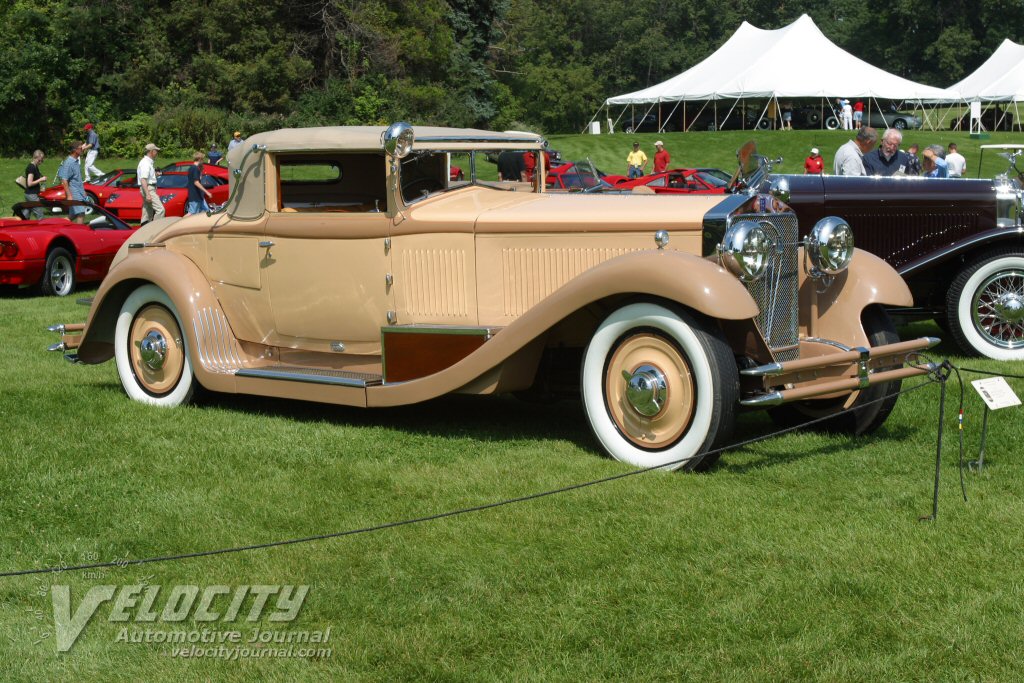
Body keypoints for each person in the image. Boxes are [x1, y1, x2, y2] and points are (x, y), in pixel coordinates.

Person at [57, 141, 89, 222]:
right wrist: (69, 196)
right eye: (81, 148)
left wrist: (83, 191)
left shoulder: (76, 161)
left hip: (79, 191)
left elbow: (77, 178)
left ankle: (59, 225)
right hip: (74, 193)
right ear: (75, 150)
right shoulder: (69, 162)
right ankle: (79, 233)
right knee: (81, 213)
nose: (82, 149)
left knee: (73, 215)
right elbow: (64, 180)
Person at [137, 143, 165, 224]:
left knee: (147, 210)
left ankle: (144, 228)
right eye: (156, 151)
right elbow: (143, 179)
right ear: (151, 151)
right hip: (148, 188)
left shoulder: (147, 162)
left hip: (148, 187)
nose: (157, 152)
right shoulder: (145, 163)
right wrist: (148, 194)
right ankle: (156, 229)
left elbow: (147, 178)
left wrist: (155, 175)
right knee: (160, 210)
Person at [23, 149, 47, 219]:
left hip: (30, 194)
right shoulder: (31, 167)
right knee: (40, 215)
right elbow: (29, 183)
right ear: (35, 158)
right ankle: (43, 229)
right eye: (40, 160)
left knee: (26, 214)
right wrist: (40, 179)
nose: (41, 162)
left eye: (42, 160)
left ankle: (20, 226)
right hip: (31, 195)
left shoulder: (35, 167)